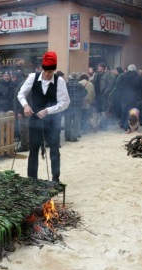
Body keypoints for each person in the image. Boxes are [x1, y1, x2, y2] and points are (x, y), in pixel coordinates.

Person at [17, 51, 70, 183]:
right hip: (35, 120)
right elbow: (21, 94)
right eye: (45, 71)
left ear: (54, 70)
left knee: (54, 150)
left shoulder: (60, 81)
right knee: (33, 149)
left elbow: (65, 103)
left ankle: (55, 179)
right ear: (41, 68)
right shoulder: (32, 77)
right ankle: (32, 180)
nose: (47, 75)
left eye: (50, 72)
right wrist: (25, 106)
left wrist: (48, 110)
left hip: (53, 121)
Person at [119, 64, 142, 133]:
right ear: (135, 69)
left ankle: (122, 124)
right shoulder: (138, 77)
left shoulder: (123, 76)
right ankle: (127, 127)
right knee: (129, 112)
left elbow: (118, 85)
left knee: (123, 111)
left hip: (124, 97)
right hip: (133, 97)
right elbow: (140, 88)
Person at [91, 62, 114, 130]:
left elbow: (110, 85)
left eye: (100, 66)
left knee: (103, 111)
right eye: (98, 66)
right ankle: (97, 125)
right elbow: (93, 83)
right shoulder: (96, 75)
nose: (98, 67)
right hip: (96, 95)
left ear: (103, 68)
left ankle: (104, 126)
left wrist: (105, 92)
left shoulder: (107, 75)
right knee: (97, 111)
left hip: (103, 95)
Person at [64, 72, 86, 142]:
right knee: (76, 122)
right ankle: (73, 137)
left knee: (67, 121)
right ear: (77, 78)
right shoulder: (80, 85)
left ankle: (67, 137)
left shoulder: (66, 85)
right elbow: (84, 94)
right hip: (77, 105)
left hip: (68, 106)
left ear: (70, 78)